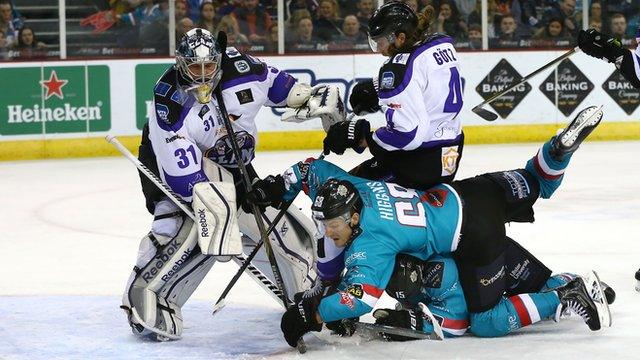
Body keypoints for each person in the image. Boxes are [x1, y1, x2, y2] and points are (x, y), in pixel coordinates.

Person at [245, 104, 607, 347]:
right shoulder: (356, 188)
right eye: (324, 223)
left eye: (335, 225)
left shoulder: (372, 241)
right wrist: (277, 186)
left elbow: (360, 297)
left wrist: (312, 313)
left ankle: (563, 297)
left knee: (485, 321)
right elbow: (311, 169)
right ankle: (557, 152)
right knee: (536, 180)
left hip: (477, 238)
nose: (329, 232)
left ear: (354, 217)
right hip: (470, 192)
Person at [121, 27, 346, 342]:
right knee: (190, 225)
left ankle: (301, 288)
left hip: (230, 162)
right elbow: (184, 179)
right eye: (193, 68)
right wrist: (218, 217)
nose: (201, 76)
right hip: (168, 163)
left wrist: (314, 99)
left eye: (208, 67)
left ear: (218, 61)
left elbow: (285, 88)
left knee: (266, 219)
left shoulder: (243, 69)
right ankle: (148, 297)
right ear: (180, 63)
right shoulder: (170, 102)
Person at [370, 252, 615, 340]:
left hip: (497, 264)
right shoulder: (415, 264)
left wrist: (412, 322)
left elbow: (456, 324)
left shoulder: (438, 276)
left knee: (488, 322)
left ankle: (565, 294)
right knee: (532, 292)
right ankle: (569, 281)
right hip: (497, 254)